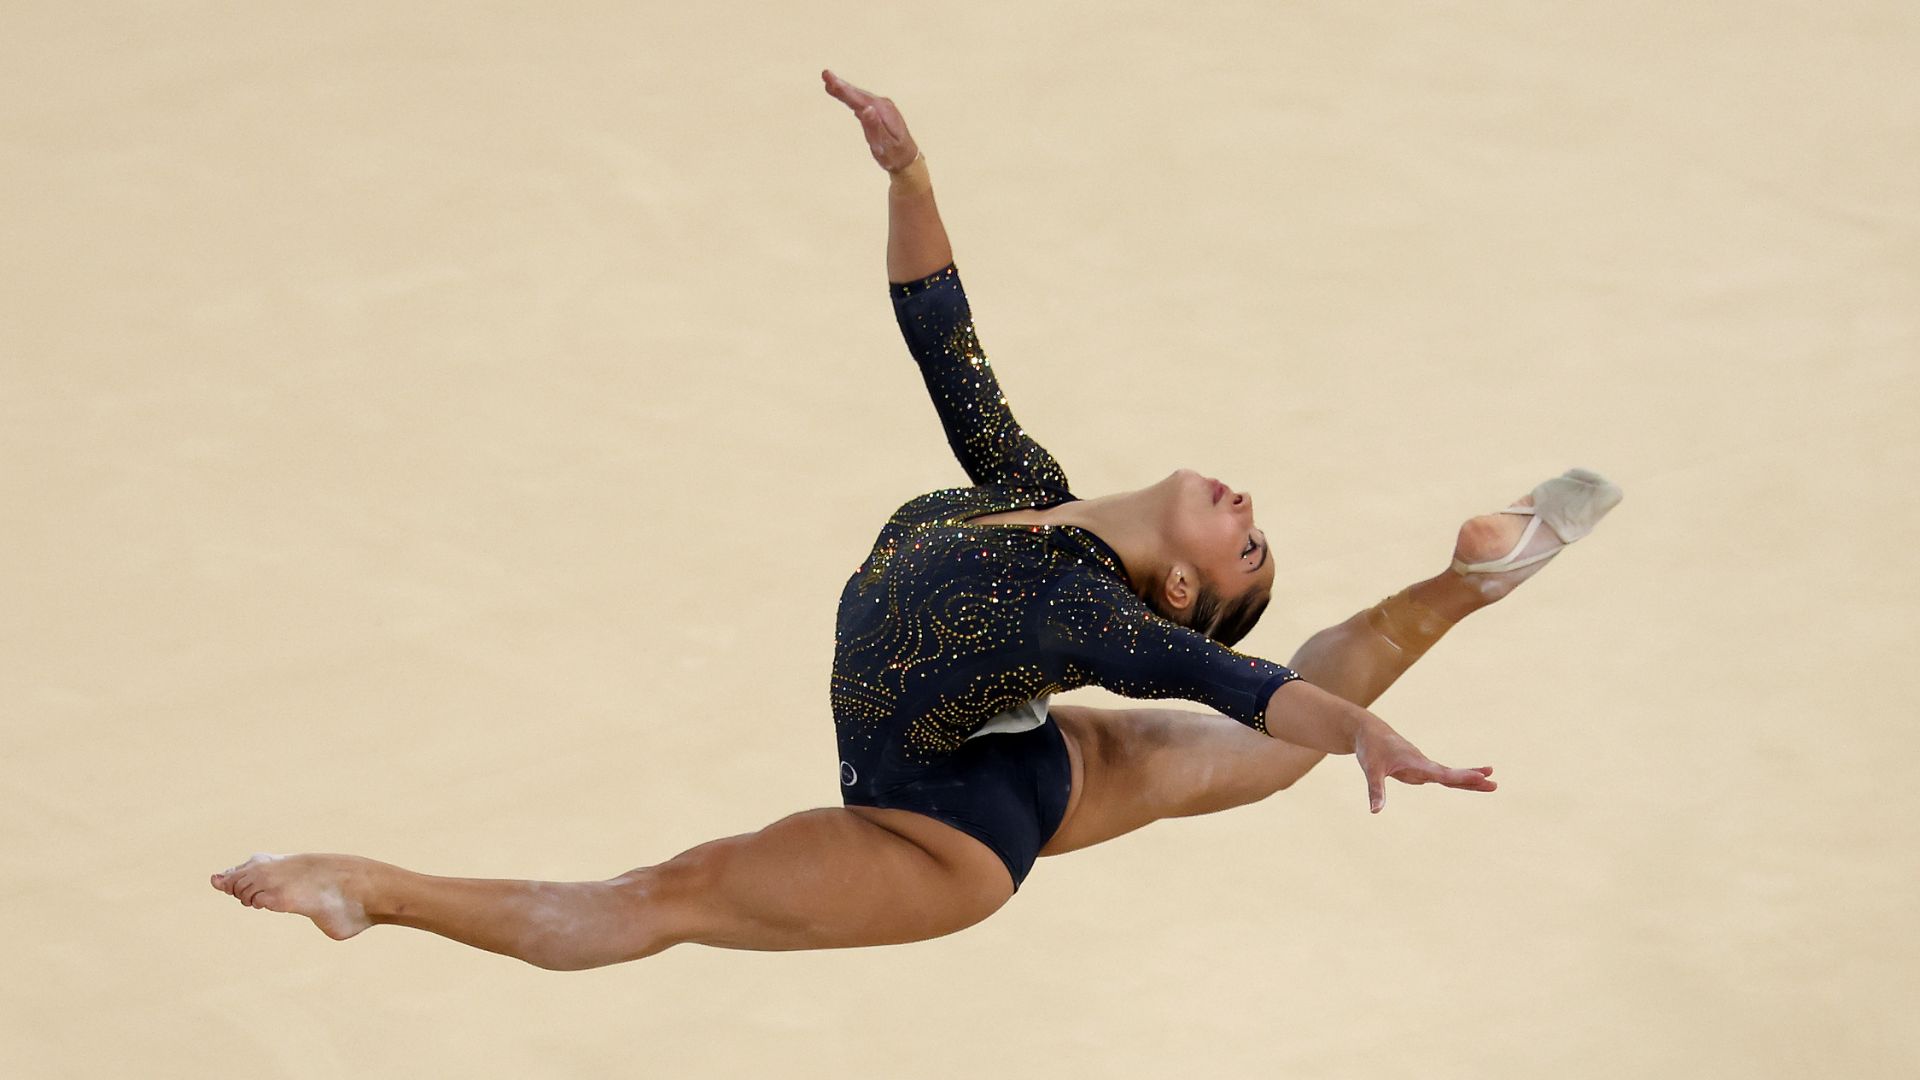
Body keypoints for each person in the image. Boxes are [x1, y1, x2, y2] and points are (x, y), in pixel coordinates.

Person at [209, 70, 1621, 970]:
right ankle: (1474, 579)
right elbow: (940, 334)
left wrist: (1363, 732)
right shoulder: (1025, 482)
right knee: (1259, 757)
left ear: (1177, 591)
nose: (1247, 510)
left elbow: (1248, 689)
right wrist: (910, 178)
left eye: (1245, 548)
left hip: (934, 831)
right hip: (1025, 747)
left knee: (669, 895)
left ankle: (374, 891)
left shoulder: (1087, 613)